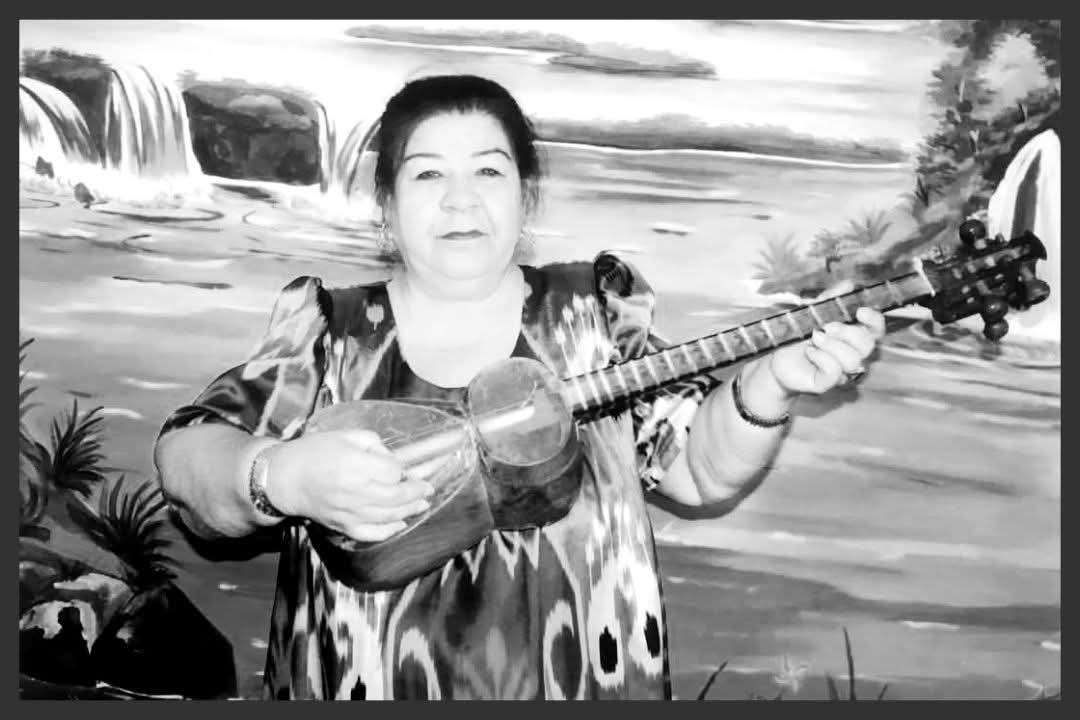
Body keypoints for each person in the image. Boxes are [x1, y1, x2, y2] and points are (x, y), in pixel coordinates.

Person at [153, 74, 885, 700]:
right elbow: (185, 461)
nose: (461, 201)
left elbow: (698, 472)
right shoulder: (328, 332)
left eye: (489, 172)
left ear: (526, 196)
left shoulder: (594, 318)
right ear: (386, 205)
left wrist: (771, 385)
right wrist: (279, 476)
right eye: (428, 175)